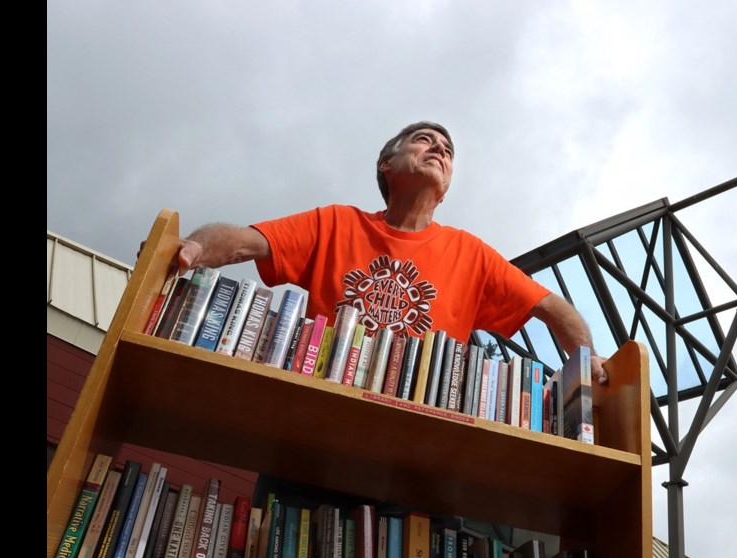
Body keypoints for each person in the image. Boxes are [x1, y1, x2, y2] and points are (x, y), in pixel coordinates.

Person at [160, 121, 607, 384]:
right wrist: (191, 249)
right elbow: (242, 240)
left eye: (447, 151)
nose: (439, 149)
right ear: (385, 165)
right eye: (424, 140)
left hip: (419, 440)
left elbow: (551, 307)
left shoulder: (471, 254)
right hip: (316, 416)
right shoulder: (335, 223)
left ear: (446, 189)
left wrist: (586, 362)